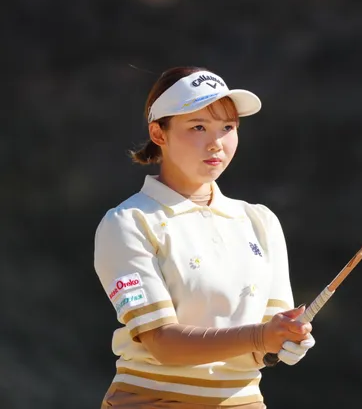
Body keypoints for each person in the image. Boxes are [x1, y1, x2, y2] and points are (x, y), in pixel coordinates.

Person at [93, 66, 315, 408]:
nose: (216, 143)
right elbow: (163, 344)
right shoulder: (128, 222)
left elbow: (265, 342)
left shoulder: (260, 221)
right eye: (198, 127)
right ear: (159, 133)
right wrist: (261, 336)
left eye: (227, 127)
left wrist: (285, 339)